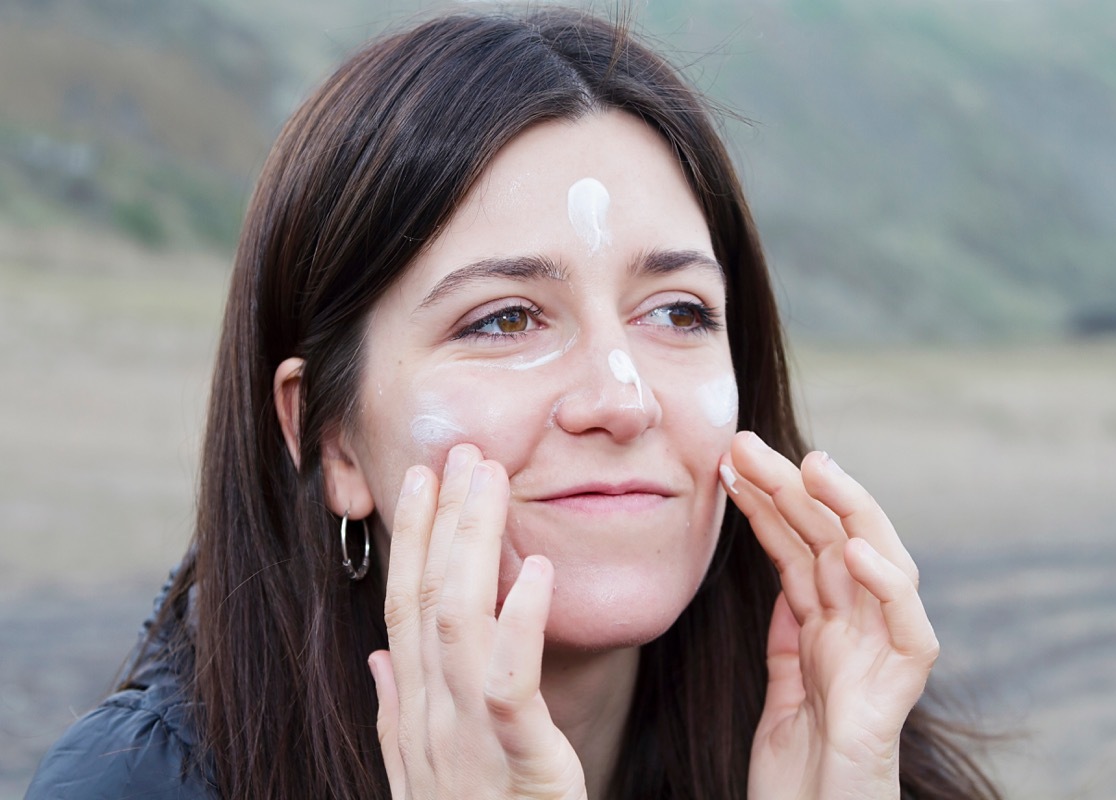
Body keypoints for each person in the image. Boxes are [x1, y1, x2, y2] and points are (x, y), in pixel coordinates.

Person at [27, 7, 1000, 799]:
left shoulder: (850, 759)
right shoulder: (134, 785)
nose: (623, 400)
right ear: (331, 440)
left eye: (678, 310)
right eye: (505, 320)